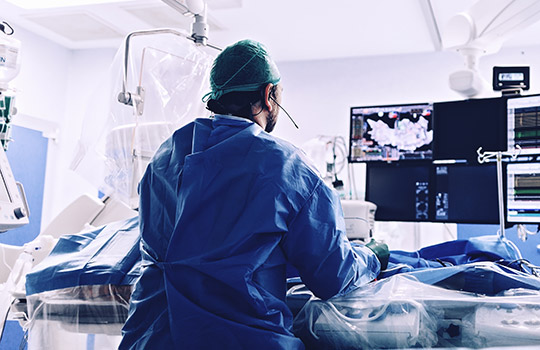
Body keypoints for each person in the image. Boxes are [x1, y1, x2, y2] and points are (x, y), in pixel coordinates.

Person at [120, 39, 389, 349]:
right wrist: (372, 255)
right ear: (268, 96)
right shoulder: (286, 166)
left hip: (148, 337)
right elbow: (334, 278)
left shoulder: (165, 156)